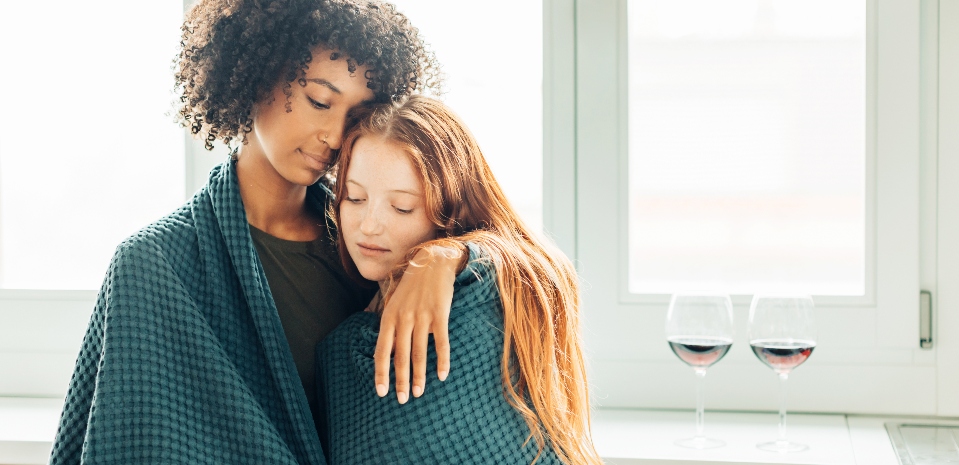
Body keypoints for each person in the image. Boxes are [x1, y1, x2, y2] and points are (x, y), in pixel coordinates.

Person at [50, 1, 461, 463]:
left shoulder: (373, 237)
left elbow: (510, 260)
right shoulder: (153, 265)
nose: (335, 135)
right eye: (319, 101)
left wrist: (447, 258)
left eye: (356, 116)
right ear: (255, 76)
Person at [317, 95, 603, 465]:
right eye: (354, 198)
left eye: (402, 207)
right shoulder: (341, 351)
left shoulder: (485, 299)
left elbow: (544, 268)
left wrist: (449, 255)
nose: (369, 225)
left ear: (452, 209)